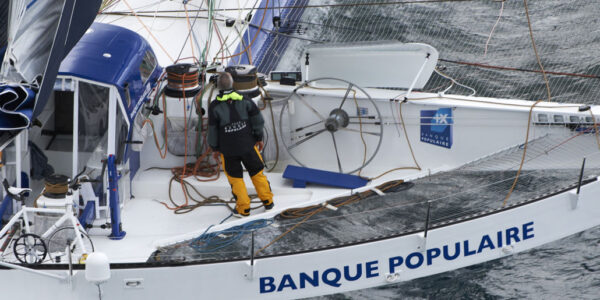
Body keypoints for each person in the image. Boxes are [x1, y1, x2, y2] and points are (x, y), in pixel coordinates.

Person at [208, 72, 274, 217]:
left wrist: (215, 148)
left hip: (228, 150)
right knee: (257, 173)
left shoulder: (214, 107)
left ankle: (244, 209)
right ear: (233, 84)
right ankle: (268, 202)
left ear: (218, 87)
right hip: (248, 146)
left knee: (236, 179)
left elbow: (212, 130)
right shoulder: (246, 100)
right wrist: (259, 138)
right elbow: (258, 121)